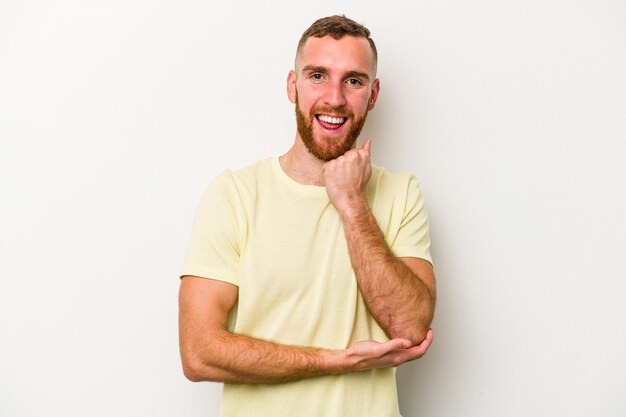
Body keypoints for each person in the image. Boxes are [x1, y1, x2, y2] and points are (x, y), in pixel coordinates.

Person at [178, 15, 436, 417]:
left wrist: (351, 202)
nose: (334, 98)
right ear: (291, 85)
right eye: (318, 75)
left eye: (353, 80)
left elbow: (410, 330)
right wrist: (339, 361)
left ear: (373, 94)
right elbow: (199, 353)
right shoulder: (234, 195)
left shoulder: (400, 193)